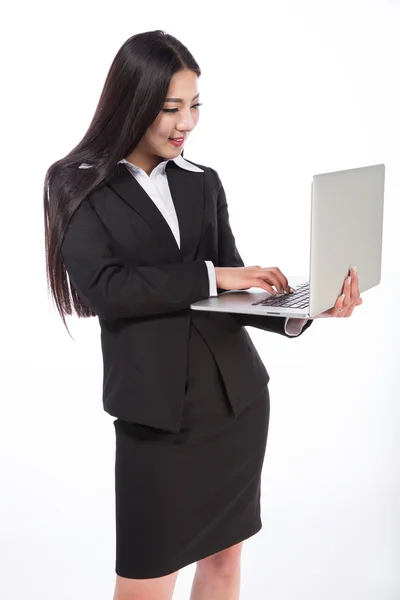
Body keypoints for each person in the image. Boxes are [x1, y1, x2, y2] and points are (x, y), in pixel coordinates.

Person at [43, 30, 362, 600]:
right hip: (155, 416)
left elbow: (232, 293)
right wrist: (213, 274)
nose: (185, 122)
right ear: (132, 102)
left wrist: (306, 308)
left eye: (194, 106)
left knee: (223, 564)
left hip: (234, 402)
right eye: (171, 108)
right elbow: (107, 290)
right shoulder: (75, 184)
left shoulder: (202, 183)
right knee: (144, 580)